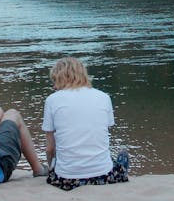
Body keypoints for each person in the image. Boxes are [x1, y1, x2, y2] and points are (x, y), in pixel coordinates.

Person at [42, 56, 129, 191]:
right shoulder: (104, 97)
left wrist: (51, 168)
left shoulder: (52, 100)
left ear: (60, 79)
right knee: (122, 156)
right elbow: (102, 134)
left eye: (55, 80)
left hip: (66, 180)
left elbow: (50, 149)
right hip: (103, 176)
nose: (54, 86)